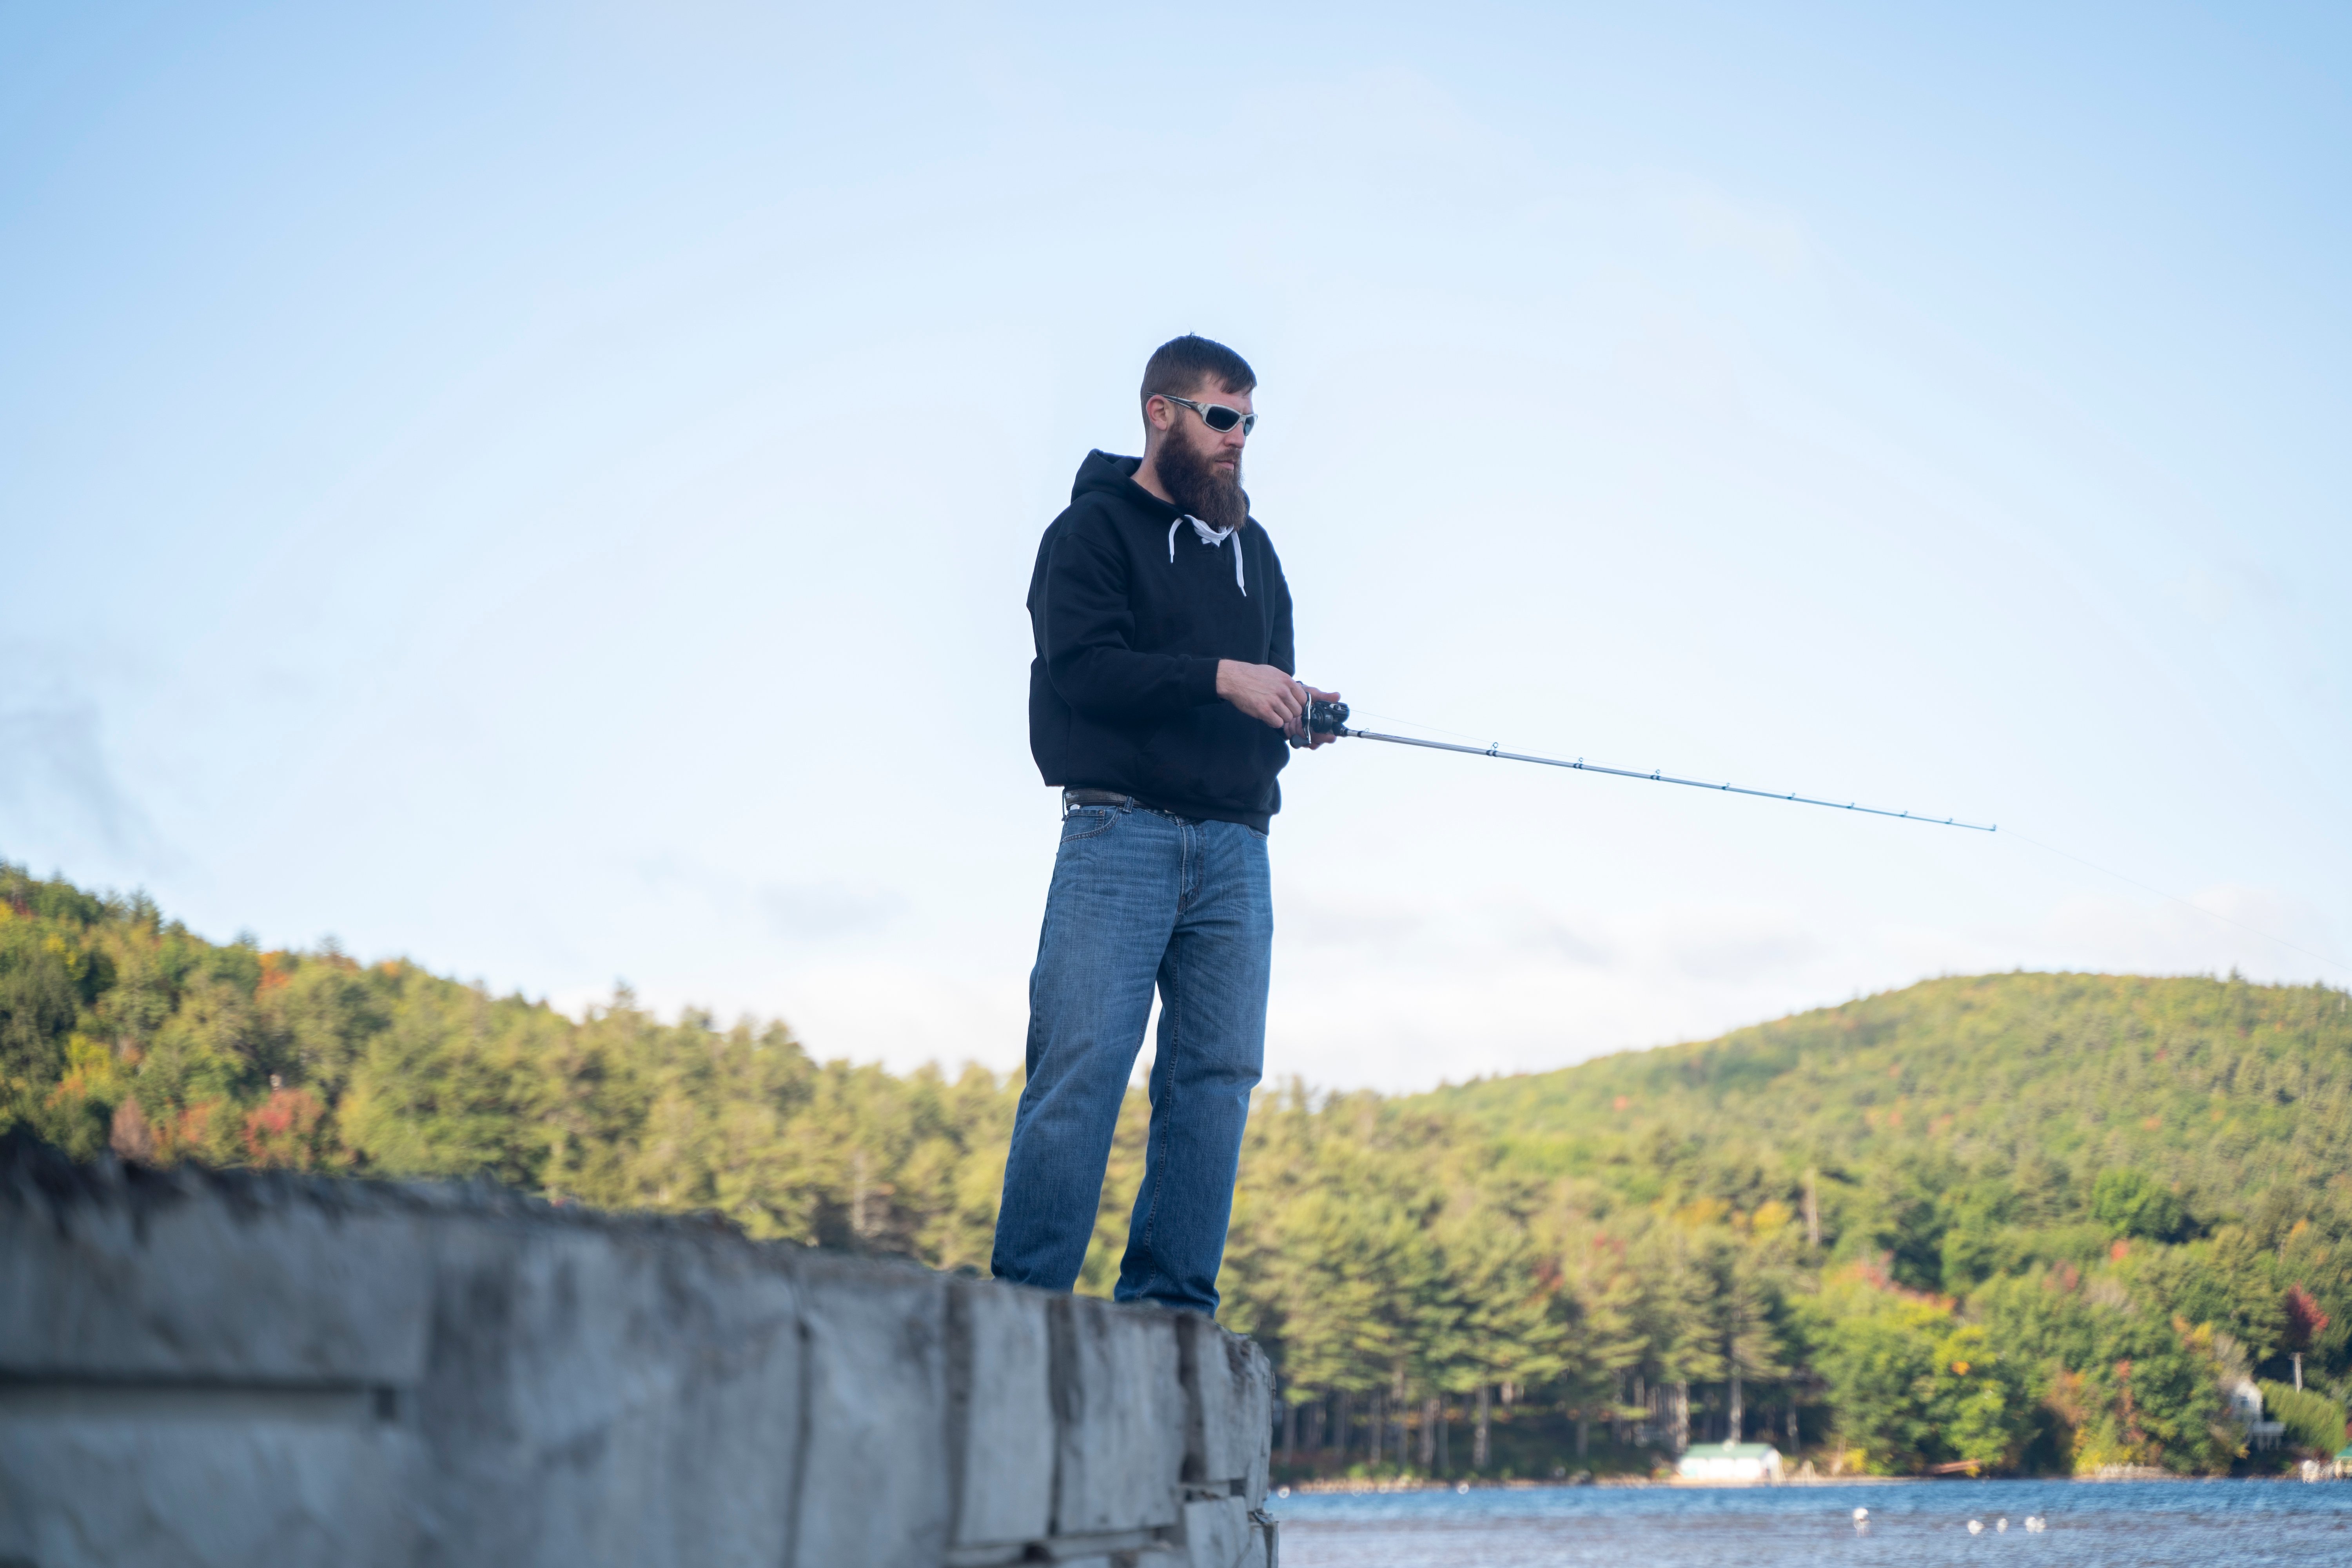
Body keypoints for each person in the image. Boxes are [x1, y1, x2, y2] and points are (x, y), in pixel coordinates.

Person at [990, 334, 1338, 1315]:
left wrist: (1293, 712)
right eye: (1222, 418)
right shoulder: (1090, 533)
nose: (1238, 441)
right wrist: (1222, 679)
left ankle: (1172, 1312)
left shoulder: (1257, 553)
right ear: (1162, 412)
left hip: (1237, 849)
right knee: (1080, 1068)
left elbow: (1260, 682)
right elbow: (1083, 670)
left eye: (1249, 423)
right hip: (1118, 837)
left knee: (1217, 1079)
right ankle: (1028, 1307)